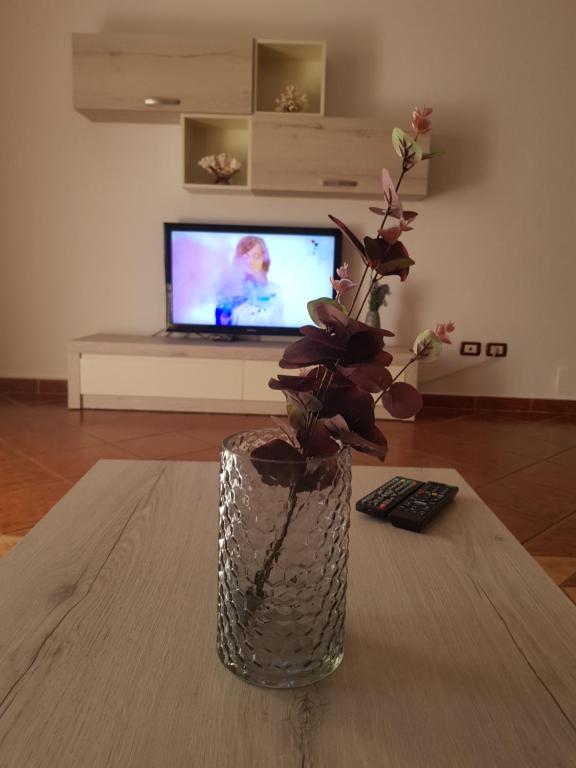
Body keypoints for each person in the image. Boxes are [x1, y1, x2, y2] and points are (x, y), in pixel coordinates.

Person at [215, 236, 284, 327]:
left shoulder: (274, 290)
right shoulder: (227, 288)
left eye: (256, 256)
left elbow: (278, 325)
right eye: (246, 256)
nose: (251, 261)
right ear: (238, 259)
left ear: (264, 259)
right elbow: (220, 327)